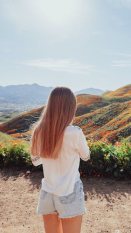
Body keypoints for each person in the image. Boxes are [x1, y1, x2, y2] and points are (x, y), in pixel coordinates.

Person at [30, 86, 90, 233]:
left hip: (48, 192)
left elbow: (36, 161)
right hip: (69, 191)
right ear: (70, 108)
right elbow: (86, 156)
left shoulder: (39, 131)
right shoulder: (75, 133)